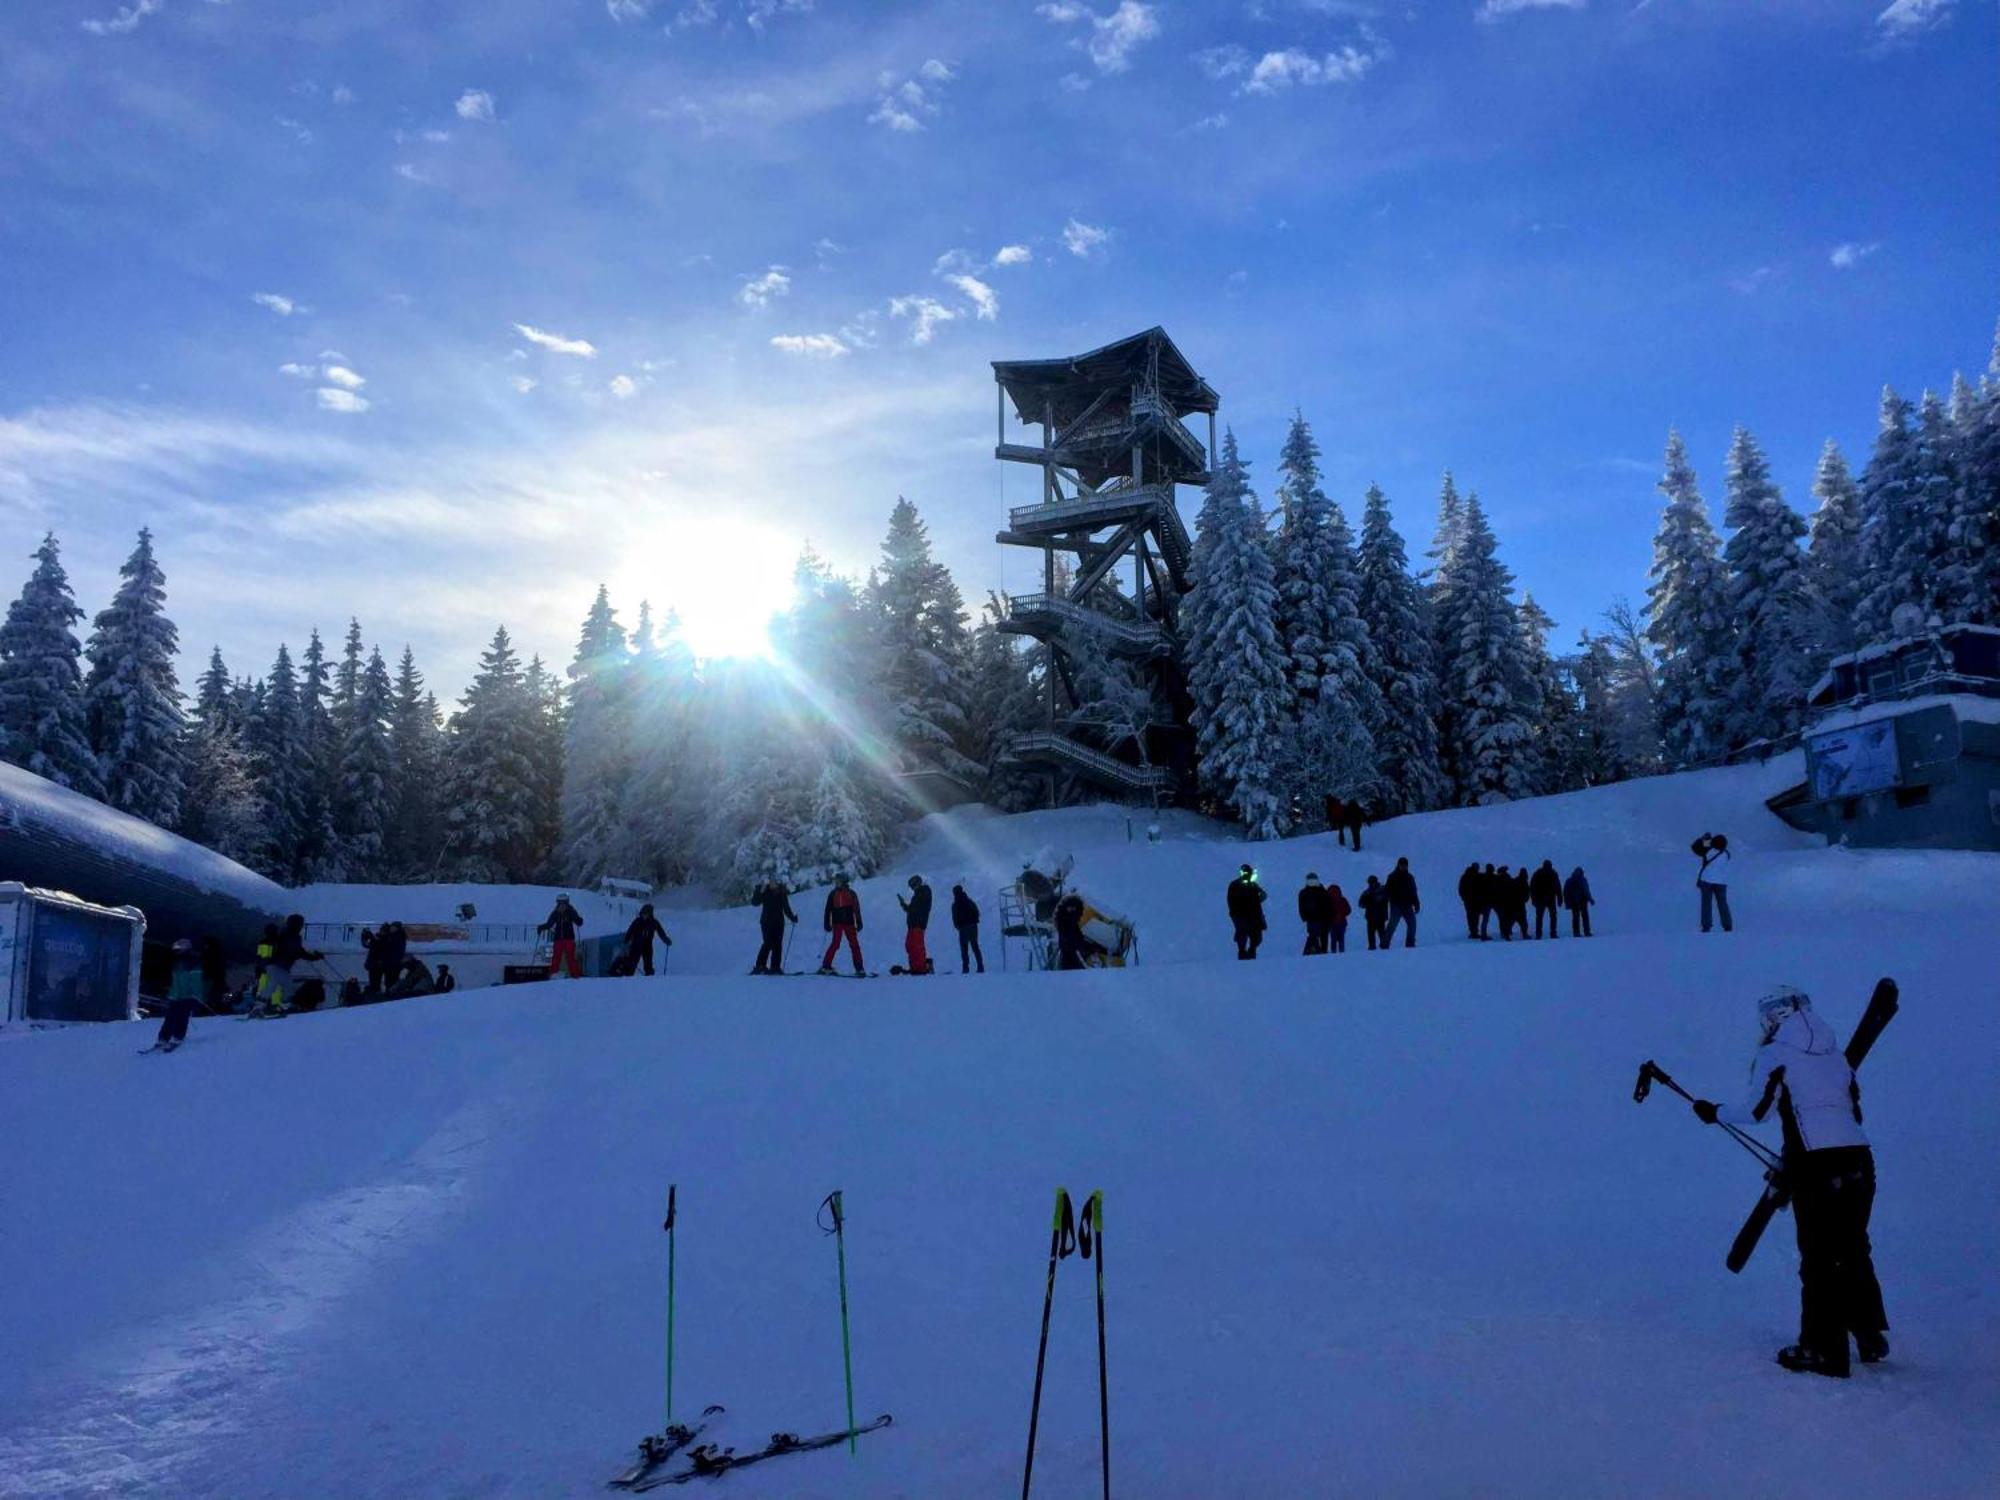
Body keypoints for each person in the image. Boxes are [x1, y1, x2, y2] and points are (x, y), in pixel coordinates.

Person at [1692, 986, 1889, 1378]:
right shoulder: (1836, 1057)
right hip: (1860, 1163)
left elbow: (1758, 1110)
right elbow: (1854, 1113)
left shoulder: (1775, 1053)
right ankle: (1869, 1335)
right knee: (1852, 1248)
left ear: (1771, 1018)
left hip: (1817, 1168)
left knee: (1818, 1258)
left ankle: (1823, 1349)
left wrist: (1715, 1112)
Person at [263, 913, 323, 1014]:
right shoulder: (287, 935)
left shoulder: (294, 936)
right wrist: (313, 957)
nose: (301, 927)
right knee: (276, 984)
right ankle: (262, 1006)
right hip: (277, 964)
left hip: (281, 966)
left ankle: (279, 1006)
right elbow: (297, 952)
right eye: (300, 924)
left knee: (283, 986)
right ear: (294, 924)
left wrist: (314, 957)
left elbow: (299, 952)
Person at [155, 937, 202, 1050]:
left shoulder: (193, 961)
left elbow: (196, 979)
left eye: (179, 949)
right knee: (170, 1016)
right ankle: (163, 1038)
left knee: (182, 1016)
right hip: (176, 994)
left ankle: (177, 1037)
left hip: (188, 995)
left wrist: (195, 994)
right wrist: (171, 992)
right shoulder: (176, 961)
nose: (177, 951)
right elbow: (174, 979)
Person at [820, 874, 865, 975]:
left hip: (849, 923)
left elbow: (856, 909)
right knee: (835, 944)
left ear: (844, 882)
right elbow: (828, 910)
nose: (836, 883)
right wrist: (827, 923)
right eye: (836, 881)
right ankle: (826, 966)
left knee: (854, 945)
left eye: (838, 881)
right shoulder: (832, 894)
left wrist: (859, 921)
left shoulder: (851, 893)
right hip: (837, 924)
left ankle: (859, 968)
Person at [753, 879, 798, 975]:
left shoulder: (781, 892)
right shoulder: (765, 891)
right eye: (771, 882)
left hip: (779, 923)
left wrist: (792, 917)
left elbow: (786, 907)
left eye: (775, 882)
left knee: (777, 945)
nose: (773, 884)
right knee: (768, 943)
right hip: (766, 922)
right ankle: (760, 965)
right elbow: (755, 902)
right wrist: (759, 891)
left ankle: (775, 967)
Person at [1694, 833, 1734, 933]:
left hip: (1707, 880)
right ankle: (1727, 925)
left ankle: (1706, 926)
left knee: (1706, 904)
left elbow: (1695, 848)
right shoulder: (1726, 854)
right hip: (1721, 882)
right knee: (1722, 903)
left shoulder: (1708, 851)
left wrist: (1704, 839)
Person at [1052, 891, 1103, 970]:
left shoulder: (1069, 920)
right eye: (1070, 908)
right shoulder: (1066, 922)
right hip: (1071, 957)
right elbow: (1074, 941)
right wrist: (1091, 948)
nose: (1072, 910)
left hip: (1072, 955)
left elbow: (1077, 938)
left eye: (1074, 908)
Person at [1226, 864, 1267, 960]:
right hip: (1240, 915)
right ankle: (1242, 954)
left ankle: (1251, 952)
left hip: (1254, 915)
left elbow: (1263, 895)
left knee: (1256, 937)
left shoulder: (1253, 885)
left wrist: (1257, 899)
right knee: (1242, 935)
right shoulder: (1235, 885)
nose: (1246, 875)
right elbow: (1230, 900)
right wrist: (1234, 913)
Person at [896, 875, 934, 975]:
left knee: (917, 946)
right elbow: (911, 910)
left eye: (913, 885)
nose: (912, 888)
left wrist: (912, 907)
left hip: (919, 923)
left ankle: (922, 968)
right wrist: (903, 904)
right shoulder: (917, 895)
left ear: (917, 883)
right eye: (911, 886)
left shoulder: (924, 891)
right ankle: (915, 966)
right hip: (912, 924)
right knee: (909, 945)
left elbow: (920, 907)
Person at [539, 895, 586, 978]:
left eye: (563, 904)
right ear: (558, 904)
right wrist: (542, 927)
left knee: (571, 958)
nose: (562, 906)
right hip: (558, 939)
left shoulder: (571, 911)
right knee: (556, 958)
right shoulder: (555, 913)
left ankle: (576, 975)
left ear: (567, 903)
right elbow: (549, 924)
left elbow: (577, 921)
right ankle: (553, 974)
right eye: (560, 904)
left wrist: (579, 920)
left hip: (569, 939)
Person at [622, 903, 673, 976]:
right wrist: (626, 940)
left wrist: (666, 940)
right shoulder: (637, 921)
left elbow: (661, 932)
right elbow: (630, 931)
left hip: (647, 945)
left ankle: (649, 979)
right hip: (636, 945)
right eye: (643, 913)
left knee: (648, 964)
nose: (644, 915)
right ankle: (628, 977)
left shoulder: (654, 922)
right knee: (632, 963)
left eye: (646, 914)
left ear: (650, 914)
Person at [1383, 856, 1419, 948]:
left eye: (1405, 865)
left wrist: (1416, 902)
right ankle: (1385, 944)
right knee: (1392, 925)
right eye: (1401, 865)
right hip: (1396, 905)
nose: (1403, 867)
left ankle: (1410, 943)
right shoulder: (1392, 877)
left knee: (1412, 924)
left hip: (1407, 905)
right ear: (1398, 865)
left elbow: (1413, 890)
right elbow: (1387, 890)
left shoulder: (1409, 877)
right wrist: (1389, 899)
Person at [951, 883, 984, 974]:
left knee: (964, 949)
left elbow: (955, 918)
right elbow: (977, 912)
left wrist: (958, 926)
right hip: (973, 927)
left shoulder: (955, 904)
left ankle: (965, 968)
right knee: (975, 946)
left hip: (963, 928)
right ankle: (980, 966)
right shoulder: (969, 901)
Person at [1298, 873, 1332, 954]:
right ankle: (1314, 951)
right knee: (1315, 935)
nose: (1312, 882)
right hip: (1313, 918)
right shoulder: (1305, 892)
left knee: (1320, 935)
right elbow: (1301, 906)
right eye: (1310, 880)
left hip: (1321, 918)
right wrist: (1304, 916)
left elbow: (1328, 904)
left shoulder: (1321, 891)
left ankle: (1320, 952)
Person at [1530, 860, 1562, 940]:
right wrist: (1559, 898)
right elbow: (1558, 887)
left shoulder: (1538, 873)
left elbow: (1532, 887)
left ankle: (1539, 934)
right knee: (1552, 916)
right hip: (1548, 898)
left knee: (1540, 917)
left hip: (1541, 898)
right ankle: (1552, 933)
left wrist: (1533, 899)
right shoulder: (1553, 873)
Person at [1357, 875, 1388, 950]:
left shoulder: (1382, 890)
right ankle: (1374, 948)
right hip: (1371, 916)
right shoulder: (1367, 892)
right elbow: (1361, 904)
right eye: (1370, 882)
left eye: (1372, 882)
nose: (1371, 884)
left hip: (1380, 916)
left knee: (1381, 934)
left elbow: (1387, 899)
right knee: (1372, 935)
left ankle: (1382, 947)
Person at [1563, 866, 1594, 937]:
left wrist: (1567, 902)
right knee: (1585, 917)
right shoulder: (1583, 880)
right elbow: (1586, 891)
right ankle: (1587, 931)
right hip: (1583, 901)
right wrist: (1590, 899)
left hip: (1573, 902)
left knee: (1575, 917)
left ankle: (1576, 932)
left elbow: (1565, 892)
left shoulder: (1569, 880)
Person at [1458, 862, 1484, 940]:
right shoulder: (1476, 876)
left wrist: (1464, 898)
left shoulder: (1466, 876)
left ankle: (1473, 932)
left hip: (1470, 900)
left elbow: (1461, 889)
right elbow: (1461, 889)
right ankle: (1474, 932)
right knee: (1474, 916)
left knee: (1471, 916)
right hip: (1472, 900)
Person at [1326, 881, 1352, 953]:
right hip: (1342, 922)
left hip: (1331, 923)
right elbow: (1349, 910)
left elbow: (1325, 911)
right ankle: (1341, 952)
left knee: (1333, 939)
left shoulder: (1328, 901)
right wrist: (1342, 914)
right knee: (1341, 939)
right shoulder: (1342, 899)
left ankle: (1333, 952)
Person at [1480, 863, 1500, 939]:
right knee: (1501, 916)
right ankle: (1504, 932)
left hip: (1486, 901)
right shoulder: (1494, 878)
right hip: (1493, 900)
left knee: (1485, 919)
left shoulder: (1483, 877)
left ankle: (1483, 934)